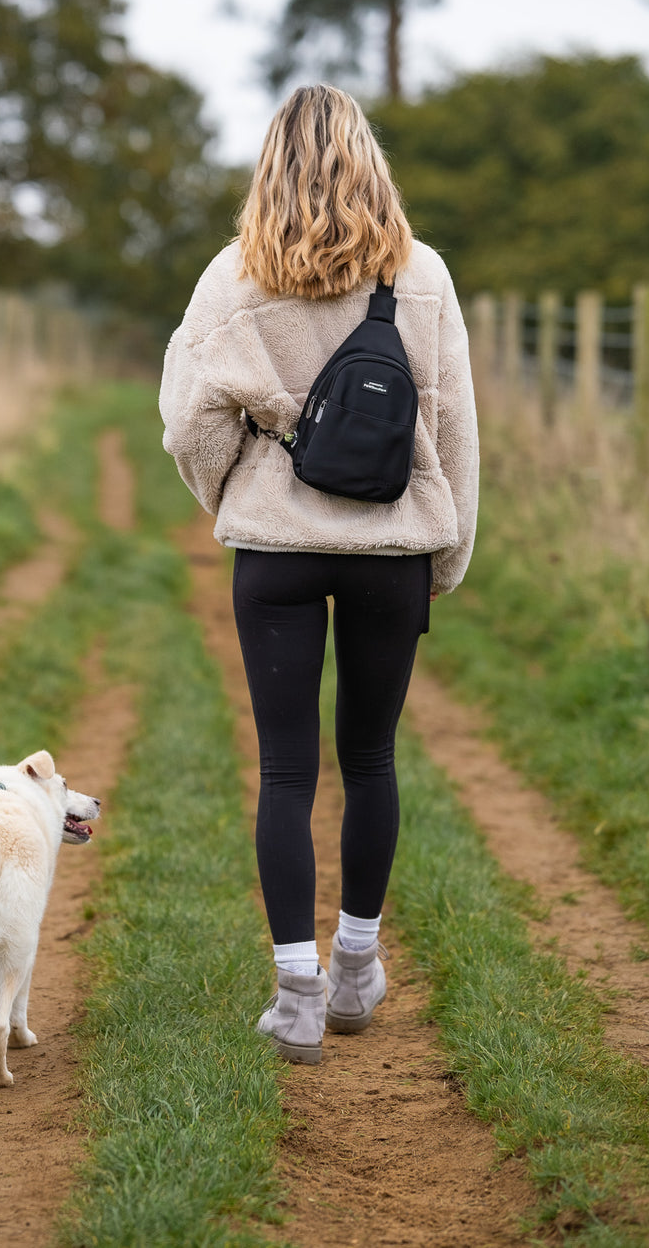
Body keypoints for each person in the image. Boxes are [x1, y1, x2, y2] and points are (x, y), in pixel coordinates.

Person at [159, 84, 478, 1064]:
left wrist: (233, 503)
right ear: (367, 162)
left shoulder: (232, 278)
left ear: (269, 166)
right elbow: (455, 429)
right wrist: (446, 552)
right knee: (371, 758)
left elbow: (187, 424)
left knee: (287, 769)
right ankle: (355, 969)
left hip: (276, 553)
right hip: (392, 551)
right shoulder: (421, 275)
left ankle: (294, 996)